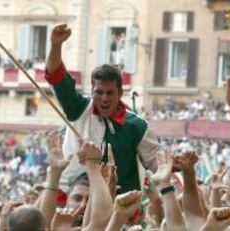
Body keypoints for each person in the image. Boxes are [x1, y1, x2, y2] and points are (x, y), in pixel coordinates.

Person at [44, 24, 160, 193]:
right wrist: (55, 45)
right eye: (99, 92)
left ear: (120, 93)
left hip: (119, 208)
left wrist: (180, 172)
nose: (104, 98)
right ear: (91, 91)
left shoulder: (137, 126)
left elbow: (158, 164)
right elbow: (55, 75)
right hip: (74, 200)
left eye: (110, 92)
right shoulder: (78, 108)